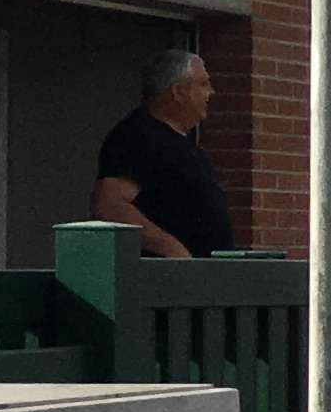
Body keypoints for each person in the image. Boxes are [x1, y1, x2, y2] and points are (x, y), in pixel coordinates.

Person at [94, 48, 232, 259]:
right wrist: (173, 250)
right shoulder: (139, 136)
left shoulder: (183, 144)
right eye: (203, 84)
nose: (211, 92)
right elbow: (110, 205)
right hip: (166, 280)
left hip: (204, 277)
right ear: (178, 91)